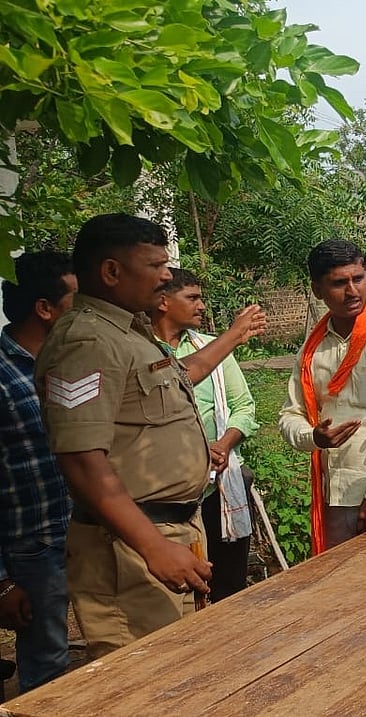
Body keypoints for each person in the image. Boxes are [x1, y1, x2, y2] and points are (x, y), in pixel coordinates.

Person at [37, 213, 263, 658]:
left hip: (169, 532)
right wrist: (154, 547)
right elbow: (82, 460)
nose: (166, 276)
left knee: (179, 672)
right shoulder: (87, 341)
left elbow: (181, 376)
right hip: (131, 548)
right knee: (143, 677)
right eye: (156, 265)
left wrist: (232, 339)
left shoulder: (129, 333)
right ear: (111, 271)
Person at [278, 240, 366, 554]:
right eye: (339, 283)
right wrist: (313, 436)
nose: (352, 291)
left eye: (358, 279)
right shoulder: (312, 349)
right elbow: (290, 414)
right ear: (317, 290)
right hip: (336, 490)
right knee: (343, 588)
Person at [150, 268, 259, 601]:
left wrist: (224, 445)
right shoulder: (142, 351)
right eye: (192, 298)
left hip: (217, 485)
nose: (201, 306)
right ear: (163, 301)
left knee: (228, 585)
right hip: (167, 490)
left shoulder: (210, 347)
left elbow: (245, 407)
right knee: (177, 591)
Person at [0, 251, 76, 691]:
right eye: (75, 303)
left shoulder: (69, 364)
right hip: (31, 549)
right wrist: (2, 584)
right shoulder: (4, 375)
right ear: (44, 309)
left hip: (81, 535)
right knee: (47, 667)